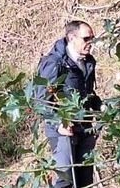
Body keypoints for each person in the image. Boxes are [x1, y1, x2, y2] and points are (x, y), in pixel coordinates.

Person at [36, 20, 101, 188]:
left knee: (85, 181)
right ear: (72, 37)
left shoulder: (88, 62)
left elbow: (88, 93)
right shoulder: (54, 63)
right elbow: (41, 100)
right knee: (65, 180)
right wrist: (59, 123)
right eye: (86, 38)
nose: (90, 42)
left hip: (85, 128)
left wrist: (101, 106)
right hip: (62, 133)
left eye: (92, 38)